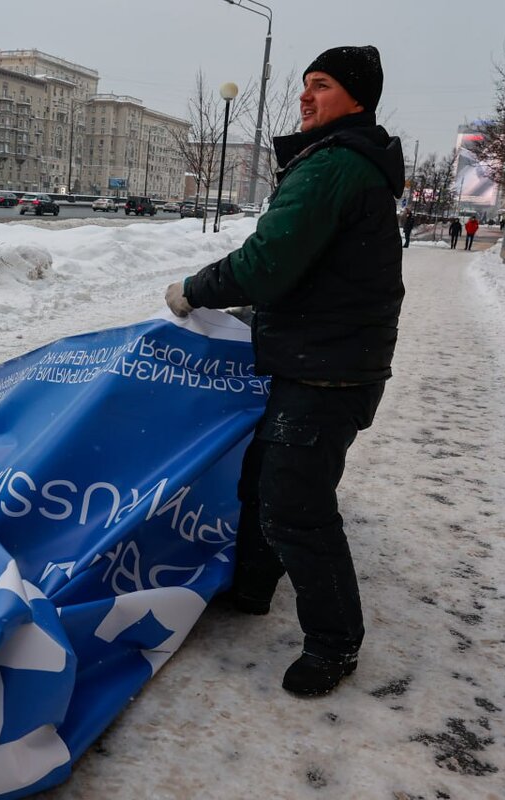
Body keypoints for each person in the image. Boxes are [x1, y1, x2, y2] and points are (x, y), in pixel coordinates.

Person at [163, 45, 404, 697]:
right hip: (316, 360)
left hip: (329, 371)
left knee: (296, 505)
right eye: (305, 85)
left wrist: (197, 289)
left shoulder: (335, 165)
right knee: (262, 480)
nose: (306, 96)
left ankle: (335, 643)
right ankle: (249, 588)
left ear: (356, 98)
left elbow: (270, 261)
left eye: (320, 86)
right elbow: (310, 273)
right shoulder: (344, 162)